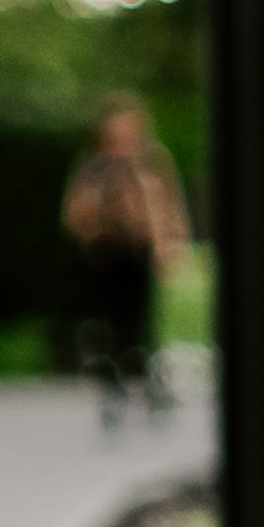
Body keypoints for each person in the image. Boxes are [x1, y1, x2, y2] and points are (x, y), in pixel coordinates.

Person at [61, 98, 190, 428]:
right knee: (110, 321)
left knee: (143, 322)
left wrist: (170, 244)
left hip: (139, 252)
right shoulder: (94, 167)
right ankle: (114, 383)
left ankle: (147, 385)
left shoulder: (151, 162)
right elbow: (75, 212)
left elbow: (168, 206)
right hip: (107, 254)